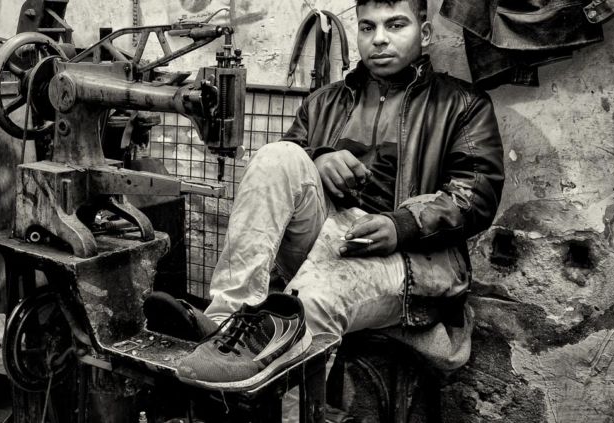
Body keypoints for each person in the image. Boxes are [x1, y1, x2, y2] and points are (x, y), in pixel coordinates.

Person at [146, 0, 506, 390]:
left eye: (395, 25)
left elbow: (476, 194)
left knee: (313, 300)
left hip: (411, 258)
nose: (380, 39)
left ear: (425, 33)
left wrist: (401, 224)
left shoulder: (463, 105)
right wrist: (317, 158)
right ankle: (224, 322)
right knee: (278, 156)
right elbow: (284, 173)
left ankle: (265, 388)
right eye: (367, 28)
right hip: (325, 237)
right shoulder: (324, 102)